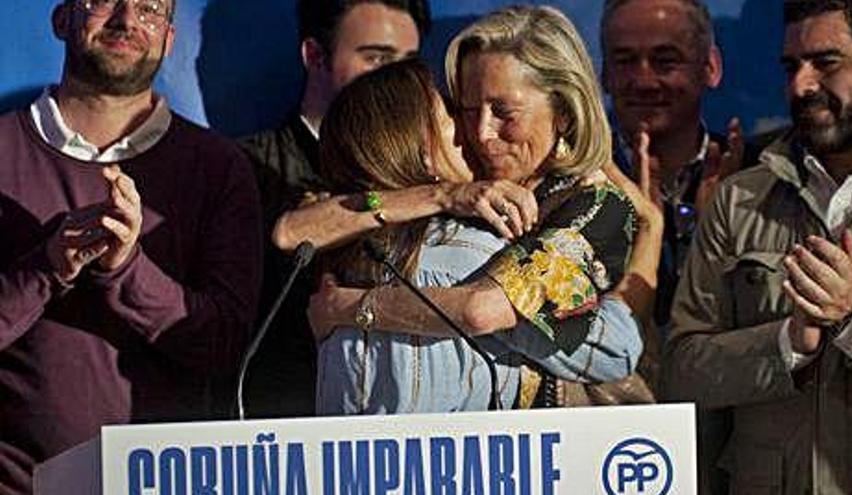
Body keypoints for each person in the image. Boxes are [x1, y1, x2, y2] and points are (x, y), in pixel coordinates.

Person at [307, 5, 663, 411]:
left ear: (563, 112)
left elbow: (487, 309)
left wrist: (353, 307)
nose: (480, 133)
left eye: (504, 113)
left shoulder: (593, 206)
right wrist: (439, 196)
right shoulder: (433, 218)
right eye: (467, 111)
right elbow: (290, 231)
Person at [0, 0, 261, 492]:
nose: (125, 20)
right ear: (61, 19)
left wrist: (126, 268)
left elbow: (225, 345)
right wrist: (47, 266)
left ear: (169, 37)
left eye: (149, 9)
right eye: (103, 2)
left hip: (170, 481)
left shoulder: (219, 169)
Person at [664, 0, 852, 492]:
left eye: (827, 62)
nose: (802, 85)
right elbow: (682, 370)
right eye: (791, 66)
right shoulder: (739, 200)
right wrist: (785, 345)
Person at [237, 0, 430, 418]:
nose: (395, 80)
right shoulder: (247, 168)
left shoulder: (437, 166)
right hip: (285, 430)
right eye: (376, 58)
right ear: (314, 56)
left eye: (408, 62)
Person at [601, 0, 745, 332]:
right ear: (604, 75)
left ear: (710, 67)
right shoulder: (574, 182)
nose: (644, 81)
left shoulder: (753, 180)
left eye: (665, 62)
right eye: (625, 62)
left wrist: (718, 233)